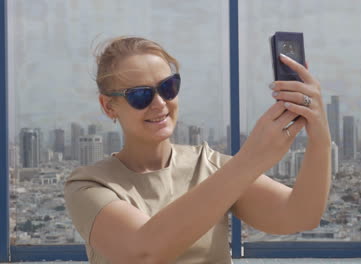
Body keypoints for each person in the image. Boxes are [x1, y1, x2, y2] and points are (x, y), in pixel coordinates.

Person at [64, 36, 332, 264]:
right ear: (109, 106)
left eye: (168, 87)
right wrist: (251, 159)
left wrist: (319, 135)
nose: (159, 104)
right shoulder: (88, 186)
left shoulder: (210, 165)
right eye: (140, 95)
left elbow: (300, 215)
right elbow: (143, 252)